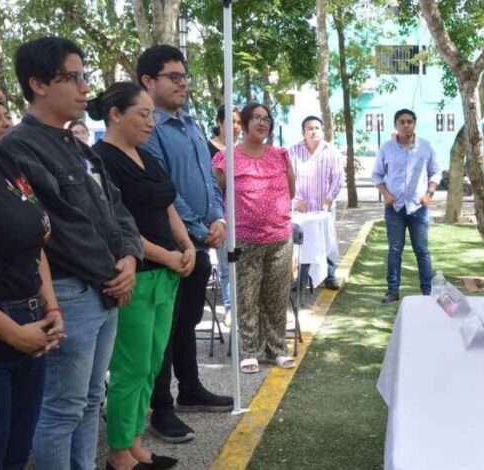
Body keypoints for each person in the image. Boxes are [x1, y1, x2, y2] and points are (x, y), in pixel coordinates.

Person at [0, 36, 143, 469]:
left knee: (90, 400)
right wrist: (112, 272)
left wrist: (130, 258)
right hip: (70, 293)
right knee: (62, 409)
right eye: (75, 76)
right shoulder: (19, 147)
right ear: (39, 84)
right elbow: (57, 226)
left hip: (103, 288)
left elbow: (116, 208)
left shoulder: (77, 145)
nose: (86, 87)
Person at [90, 81, 197, 469]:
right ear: (115, 115)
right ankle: (119, 454)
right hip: (137, 274)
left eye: (152, 114)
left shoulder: (146, 157)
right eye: (143, 114)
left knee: (152, 364)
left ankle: (135, 444)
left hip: (165, 274)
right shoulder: (101, 160)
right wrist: (168, 256)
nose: (151, 122)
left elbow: (167, 207)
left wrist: (185, 246)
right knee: (129, 368)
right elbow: (120, 227)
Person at [137, 44, 232, 444]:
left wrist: (217, 217)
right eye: (173, 76)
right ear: (147, 81)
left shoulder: (190, 125)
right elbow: (164, 191)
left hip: (199, 241)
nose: (183, 83)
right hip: (169, 246)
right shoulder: (148, 129)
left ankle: (190, 389)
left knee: (188, 321)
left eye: (184, 76)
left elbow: (207, 178)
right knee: (165, 327)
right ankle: (161, 407)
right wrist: (195, 226)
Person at [212, 103, 297, 372]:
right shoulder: (226, 158)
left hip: (279, 238)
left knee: (276, 296)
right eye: (256, 118)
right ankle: (249, 350)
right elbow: (218, 194)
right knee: (247, 298)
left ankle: (277, 348)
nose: (262, 123)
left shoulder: (281, 155)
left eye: (266, 119)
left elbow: (291, 191)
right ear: (245, 124)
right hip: (243, 240)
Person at [0, 145, 64, 470]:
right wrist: (13, 333)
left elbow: (35, 246)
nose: (1, 109)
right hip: (6, 326)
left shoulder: (6, 162)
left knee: (17, 453)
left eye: (1, 101)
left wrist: (51, 309)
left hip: (31, 321)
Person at [372, 109, 441, 303]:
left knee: (422, 250)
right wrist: (385, 194)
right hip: (395, 208)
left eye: (409, 121)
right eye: (401, 122)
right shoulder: (386, 148)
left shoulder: (426, 147)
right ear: (395, 125)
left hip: (418, 207)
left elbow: (436, 172)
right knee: (395, 249)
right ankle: (393, 291)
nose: (406, 125)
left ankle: (427, 292)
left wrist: (429, 194)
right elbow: (377, 175)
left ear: (415, 123)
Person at [288, 115, 343, 290]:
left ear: (322, 130)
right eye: (310, 128)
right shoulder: (293, 151)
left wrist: (329, 198)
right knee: (302, 243)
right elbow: (287, 178)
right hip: (301, 209)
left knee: (326, 240)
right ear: (303, 133)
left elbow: (338, 178)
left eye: (317, 128)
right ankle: (301, 279)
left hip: (324, 208)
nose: (314, 131)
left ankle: (330, 276)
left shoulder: (331, 151)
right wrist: (295, 201)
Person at [208, 105, 241, 326]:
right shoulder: (207, 148)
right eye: (231, 122)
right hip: (220, 214)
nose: (236, 127)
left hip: (244, 215)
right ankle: (230, 307)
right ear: (220, 122)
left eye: (239, 122)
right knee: (226, 263)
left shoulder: (245, 149)